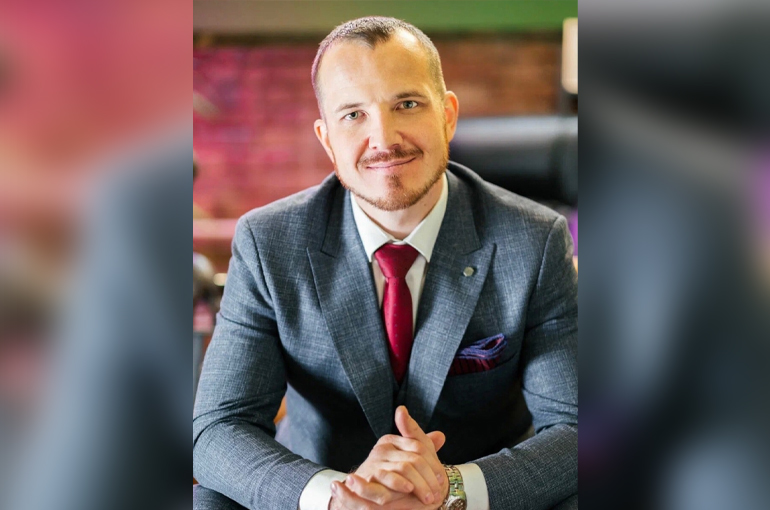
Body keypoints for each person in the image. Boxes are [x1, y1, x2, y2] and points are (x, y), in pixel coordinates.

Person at [193, 17, 577, 510]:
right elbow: (219, 427)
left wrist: (449, 491)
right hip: (323, 490)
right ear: (327, 139)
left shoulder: (534, 241)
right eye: (353, 114)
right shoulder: (269, 243)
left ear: (448, 115)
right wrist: (339, 498)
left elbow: (575, 428)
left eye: (407, 104)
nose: (384, 139)